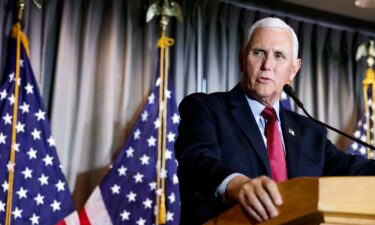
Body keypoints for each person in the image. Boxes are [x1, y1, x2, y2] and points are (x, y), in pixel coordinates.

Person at [175, 17, 375, 225]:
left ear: (294, 69)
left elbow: (352, 168)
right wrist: (236, 184)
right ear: (242, 59)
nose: (267, 65)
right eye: (258, 52)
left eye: (279, 56)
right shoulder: (205, 107)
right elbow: (197, 159)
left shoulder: (309, 131)